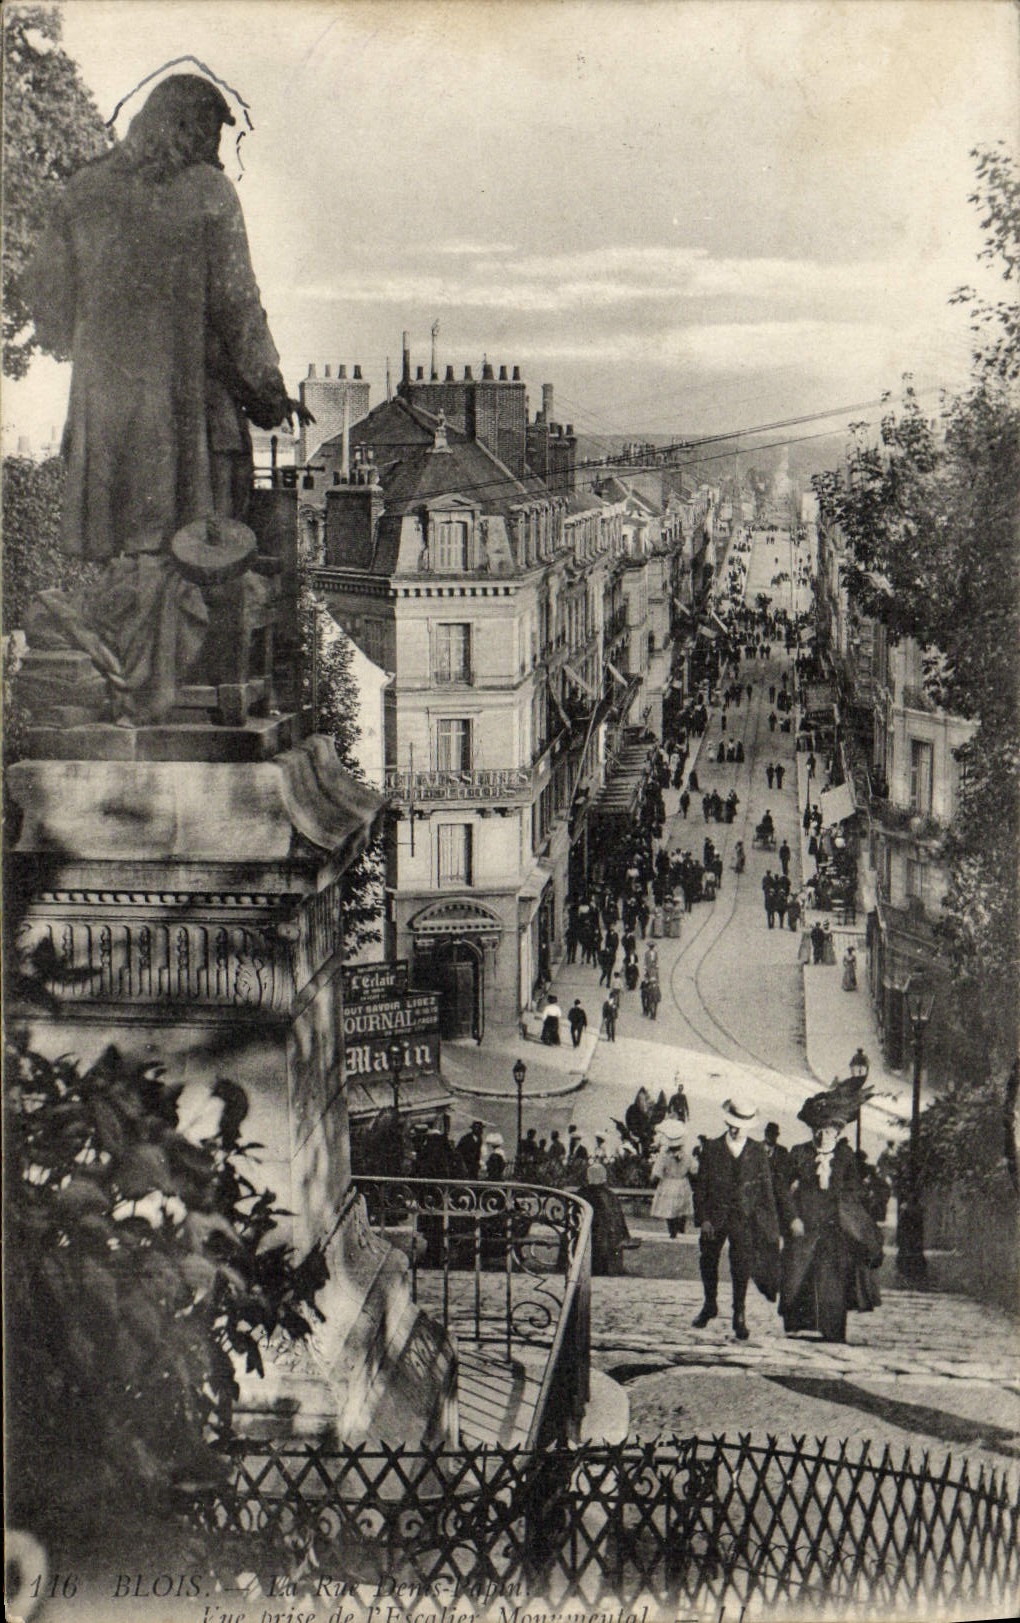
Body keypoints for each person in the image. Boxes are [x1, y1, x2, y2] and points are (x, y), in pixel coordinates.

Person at [23, 75, 310, 723]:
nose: (212, 149)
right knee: (192, 548)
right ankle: (160, 685)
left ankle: (124, 665)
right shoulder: (210, 195)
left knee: (133, 550)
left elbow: (45, 311)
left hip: (106, 423)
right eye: (207, 132)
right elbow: (240, 311)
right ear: (178, 125)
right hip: (184, 426)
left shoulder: (82, 192)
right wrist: (269, 395)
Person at [776, 1087, 883, 1343]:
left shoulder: (845, 1157)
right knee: (800, 1273)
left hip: (835, 1228)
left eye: (829, 1130)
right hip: (804, 1225)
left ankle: (832, 1328)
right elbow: (780, 1187)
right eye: (819, 1130)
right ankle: (800, 1324)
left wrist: (852, 1213)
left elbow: (854, 1190)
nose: (823, 1135)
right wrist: (792, 1217)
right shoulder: (799, 1153)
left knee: (832, 1277)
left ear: (838, 1131)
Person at [691, 1096, 781, 1340]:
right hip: (715, 1217)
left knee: (741, 1266)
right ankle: (710, 1304)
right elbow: (701, 1187)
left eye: (739, 1125)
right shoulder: (712, 1148)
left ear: (748, 1126)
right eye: (730, 1123)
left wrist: (771, 1225)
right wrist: (704, 1219)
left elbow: (766, 1189)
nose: (734, 1129)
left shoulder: (757, 1152)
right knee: (708, 1260)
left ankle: (738, 1314)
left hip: (745, 1218)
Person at [585, 1164, 634, 1276]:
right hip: (608, 1237)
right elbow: (619, 1220)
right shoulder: (610, 1196)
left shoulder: (582, 1194)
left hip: (587, 1235)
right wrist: (625, 1235)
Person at [650, 1125, 695, 1237]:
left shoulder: (663, 1156)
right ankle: (681, 1230)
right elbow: (694, 1171)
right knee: (681, 1208)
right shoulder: (687, 1156)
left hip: (668, 1183)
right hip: (682, 1183)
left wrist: (652, 1180)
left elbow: (655, 1174)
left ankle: (672, 1232)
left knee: (669, 1209)